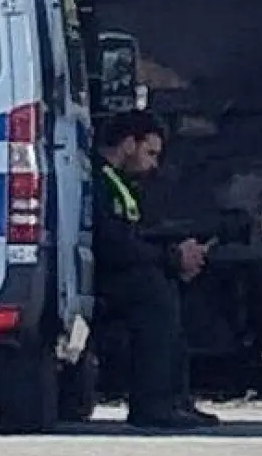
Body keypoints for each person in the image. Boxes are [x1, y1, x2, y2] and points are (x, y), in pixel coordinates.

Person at [92, 109, 220, 430]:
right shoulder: (99, 180)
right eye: (149, 152)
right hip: (103, 274)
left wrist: (175, 257)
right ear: (127, 144)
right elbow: (112, 243)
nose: (154, 164)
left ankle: (176, 399)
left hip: (117, 269)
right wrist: (171, 258)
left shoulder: (117, 182)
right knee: (154, 296)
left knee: (165, 288)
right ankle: (153, 404)